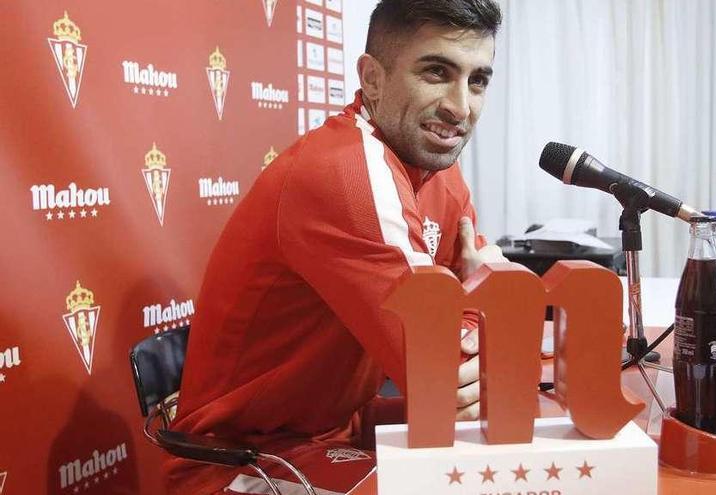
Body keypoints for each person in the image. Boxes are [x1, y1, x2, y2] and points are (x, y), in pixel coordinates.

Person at [164, 1, 504, 493]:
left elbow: (484, 340)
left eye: (478, 80)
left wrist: (471, 303)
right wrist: (476, 292)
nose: (460, 106)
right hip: (238, 462)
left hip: (333, 430)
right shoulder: (345, 173)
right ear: (372, 78)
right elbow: (443, 371)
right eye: (436, 72)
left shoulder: (436, 166)